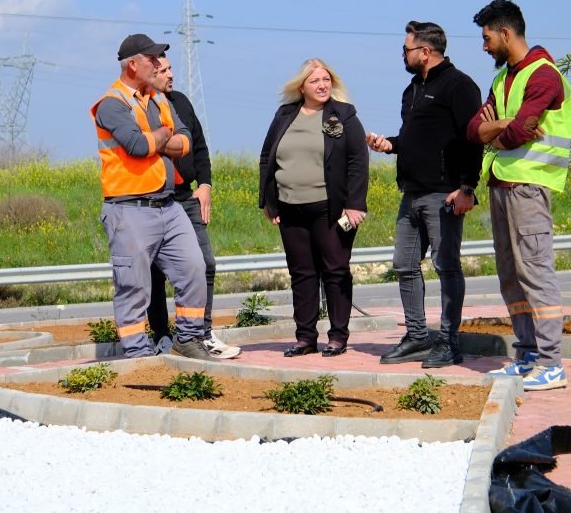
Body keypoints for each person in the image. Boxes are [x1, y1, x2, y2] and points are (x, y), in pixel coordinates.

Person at [467, 0, 571, 391]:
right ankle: (527, 353)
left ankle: (552, 363)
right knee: (511, 274)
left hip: (529, 188)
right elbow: (473, 130)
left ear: (505, 33)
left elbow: (517, 131)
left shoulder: (544, 76)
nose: (484, 46)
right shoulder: (502, 79)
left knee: (535, 271)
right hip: (501, 184)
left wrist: (502, 128)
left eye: (486, 37)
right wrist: (499, 127)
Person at [366, 21, 483, 368]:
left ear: (425, 52)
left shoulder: (459, 86)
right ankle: (417, 336)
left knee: (446, 266)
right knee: (404, 265)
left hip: (444, 195)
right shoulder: (412, 89)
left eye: (406, 49)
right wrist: (391, 145)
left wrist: (467, 188)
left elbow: (471, 140)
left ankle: (449, 342)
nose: (402, 55)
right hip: (411, 194)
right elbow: (417, 139)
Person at [90, 34, 214, 361]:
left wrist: (159, 140)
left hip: (168, 205)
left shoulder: (159, 99)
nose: (159, 65)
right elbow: (137, 146)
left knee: (194, 269)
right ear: (134, 64)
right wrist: (162, 137)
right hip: (128, 209)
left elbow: (186, 139)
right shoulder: (112, 104)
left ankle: (188, 340)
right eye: (153, 59)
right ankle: (138, 357)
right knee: (133, 289)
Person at [259, 59, 369, 357]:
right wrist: (268, 201)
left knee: (335, 271)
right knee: (302, 274)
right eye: (315, 81)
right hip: (290, 208)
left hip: (330, 210)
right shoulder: (285, 115)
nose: (322, 85)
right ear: (301, 87)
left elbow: (358, 161)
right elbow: (267, 157)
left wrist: (355, 204)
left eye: (326, 79)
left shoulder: (343, 115)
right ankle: (305, 338)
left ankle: (337, 336)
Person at [145, 56, 241, 359]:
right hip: (152, 198)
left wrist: (205, 185)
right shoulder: (138, 108)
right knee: (155, 274)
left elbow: (198, 146)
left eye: (170, 68)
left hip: (186, 197)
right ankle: (162, 336)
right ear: (147, 73)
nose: (171, 74)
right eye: (163, 71)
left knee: (206, 263)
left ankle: (202, 333)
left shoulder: (181, 102)